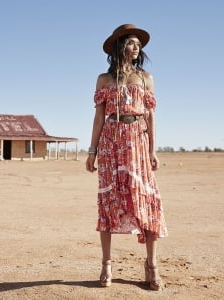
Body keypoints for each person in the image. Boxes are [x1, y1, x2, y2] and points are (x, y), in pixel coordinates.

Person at [85, 24, 168, 291]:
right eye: (132, 43)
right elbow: (99, 117)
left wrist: (153, 149)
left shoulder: (145, 78)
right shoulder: (104, 80)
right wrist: (92, 150)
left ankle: (152, 265)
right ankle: (106, 265)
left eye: (139, 45)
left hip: (137, 141)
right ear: (120, 46)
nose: (137, 48)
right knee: (109, 200)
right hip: (111, 141)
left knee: (145, 198)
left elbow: (151, 116)